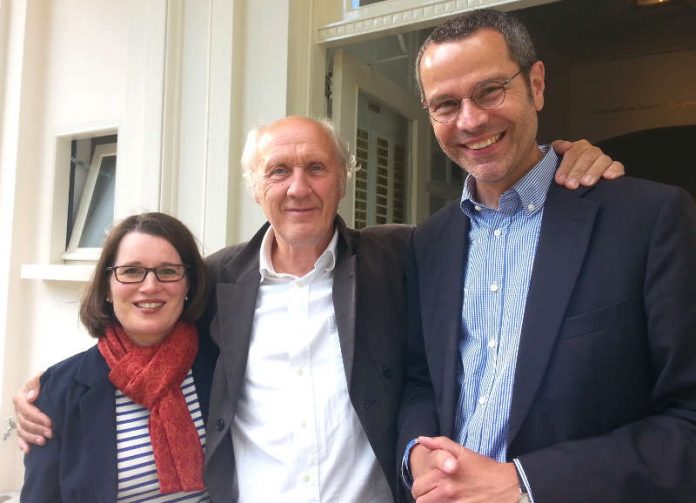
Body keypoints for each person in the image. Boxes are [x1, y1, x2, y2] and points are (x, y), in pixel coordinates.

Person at [14, 117, 622, 502]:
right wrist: (45, 393)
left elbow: (495, 216)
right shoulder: (220, 279)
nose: (298, 187)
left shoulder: (403, 255)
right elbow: (148, 324)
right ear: (257, 187)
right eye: (278, 171)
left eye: (315, 168)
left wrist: (560, 159)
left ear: (343, 179)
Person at [398, 9, 696, 503]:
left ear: (536, 85)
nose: (470, 120)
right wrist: (416, 452)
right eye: (445, 104)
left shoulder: (648, 220)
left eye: (490, 90)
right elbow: (419, 379)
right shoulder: (427, 244)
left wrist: (526, 484)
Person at [20, 212, 217, 502]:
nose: (150, 286)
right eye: (131, 271)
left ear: (188, 284)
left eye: (168, 271)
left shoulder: (218, 363)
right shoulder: (60, 390)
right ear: (108, 287)